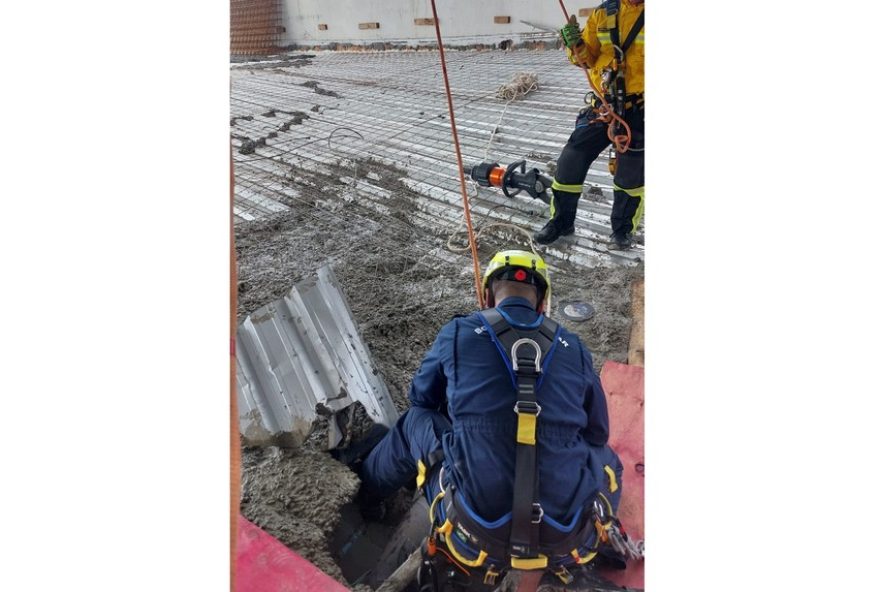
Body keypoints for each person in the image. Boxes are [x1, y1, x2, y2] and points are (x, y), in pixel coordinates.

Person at [358, 249, 628, 590]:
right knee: (609, 461)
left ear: (487, 295)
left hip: (472, 529)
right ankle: (598, 533)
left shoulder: (458, 331)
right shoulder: (573, 346)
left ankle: (366, 497)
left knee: (415, 421)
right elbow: (598, 432)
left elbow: (422, 399)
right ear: (542, 302)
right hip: (564, 537)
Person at [534, 0, 645, 250]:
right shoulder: (603, 13)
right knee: (570, 160)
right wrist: (576, 46)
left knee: (631, 175)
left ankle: (622, 231)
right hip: (603, 106)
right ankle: (561, 222)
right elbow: (587, 60)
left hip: (639, 108)